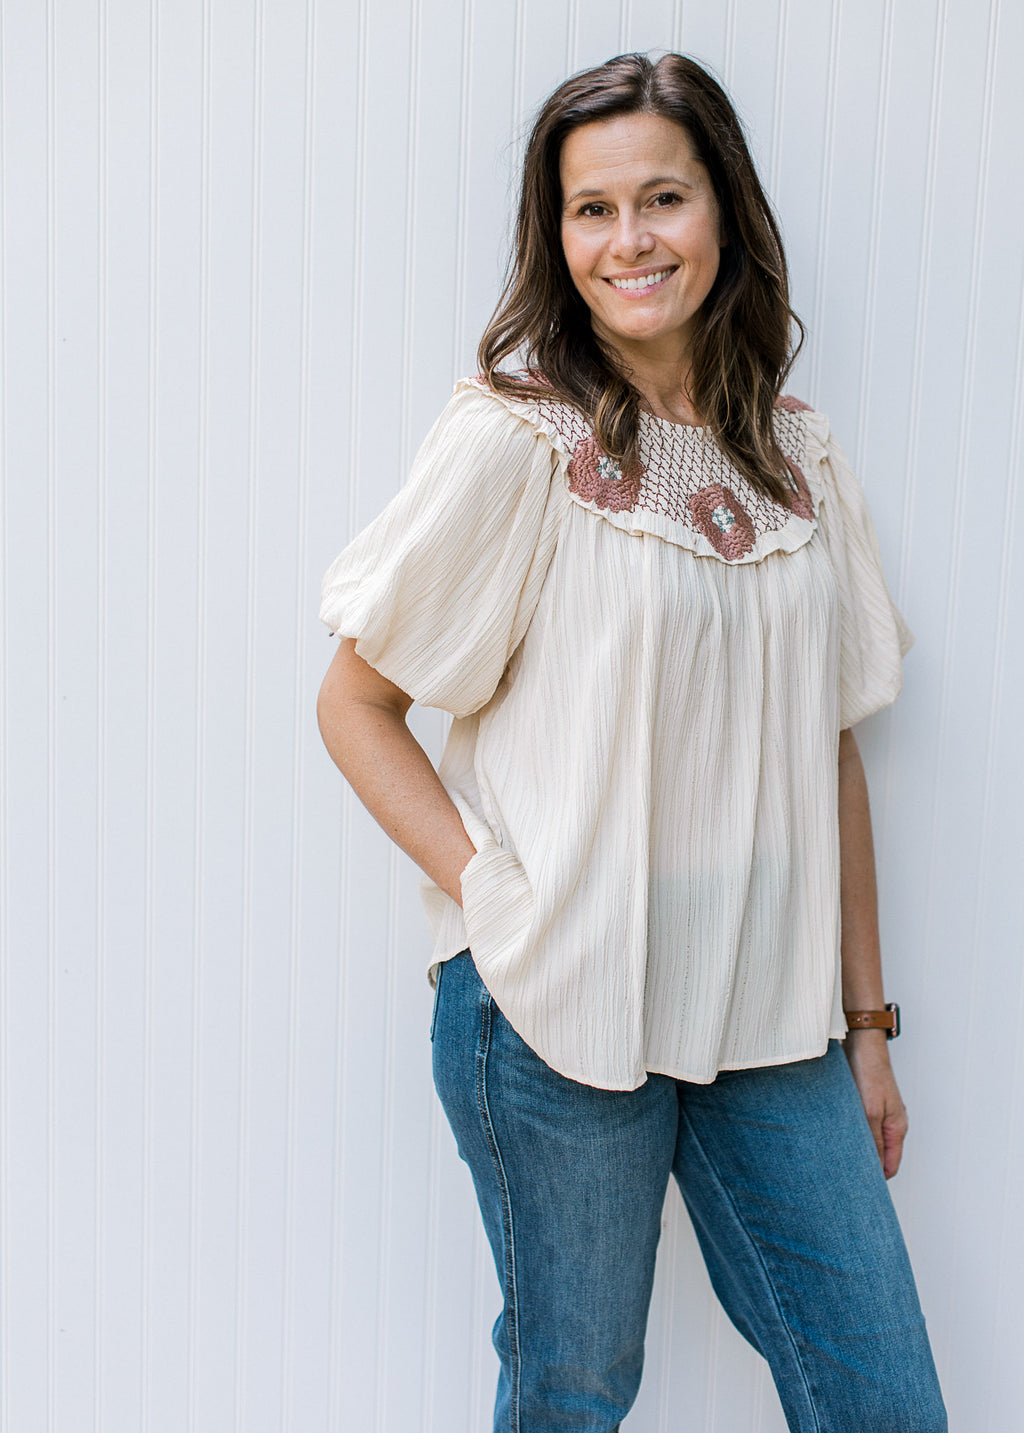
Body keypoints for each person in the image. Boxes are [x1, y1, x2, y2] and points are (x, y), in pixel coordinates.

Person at [317, 51, 947, 1433]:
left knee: (884, 1400)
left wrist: (868, 1024)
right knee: (574, 1393)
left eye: (661, 196)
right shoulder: (517, 441)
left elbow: (825, 748)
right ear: (556, 236)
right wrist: (497, 899)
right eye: (590, 210)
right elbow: (355, 705)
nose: (630, 240)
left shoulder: (801, 460)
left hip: (772, 1022)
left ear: (723, 208)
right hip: (557, 1003)